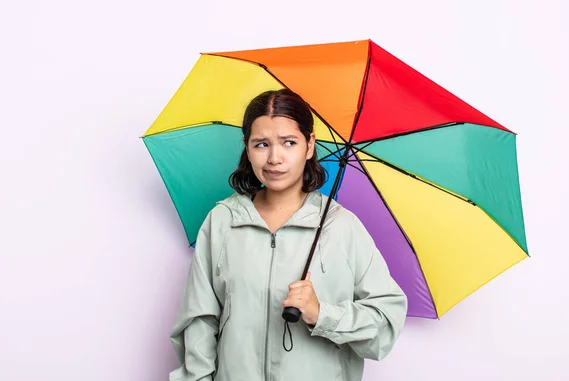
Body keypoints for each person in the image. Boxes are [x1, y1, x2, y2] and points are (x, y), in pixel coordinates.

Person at [168, 89, 408, 381]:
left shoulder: (342, 227)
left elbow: (384, 328)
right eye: (261, 144)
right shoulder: (222, 221)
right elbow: (199, 321)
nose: (274, 158)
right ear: (247, 147)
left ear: (309, 146)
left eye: (289, 143)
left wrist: (322, 314)